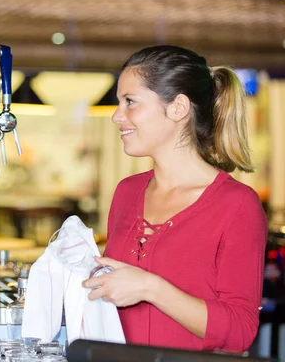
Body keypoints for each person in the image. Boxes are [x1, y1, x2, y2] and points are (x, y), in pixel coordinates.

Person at [83, 45, 267, 353]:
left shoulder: (237, 205)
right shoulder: (127, 192)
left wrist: (150, 287)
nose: (117, 116)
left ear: (178, 108)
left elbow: (239, 331)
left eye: (130, 102)